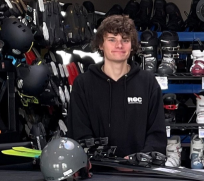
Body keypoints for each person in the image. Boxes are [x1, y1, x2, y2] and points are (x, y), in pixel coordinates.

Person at [67, 15, 167, 156]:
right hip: (98, 172)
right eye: (112, 39)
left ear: (132, 45)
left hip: (139, 172)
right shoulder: (83, 84)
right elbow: (78, 132)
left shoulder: (148, 82)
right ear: (101, 44)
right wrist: (106, 160)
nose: (119, 45)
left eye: (125, 40)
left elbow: (157, 133)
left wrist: (139, 160)